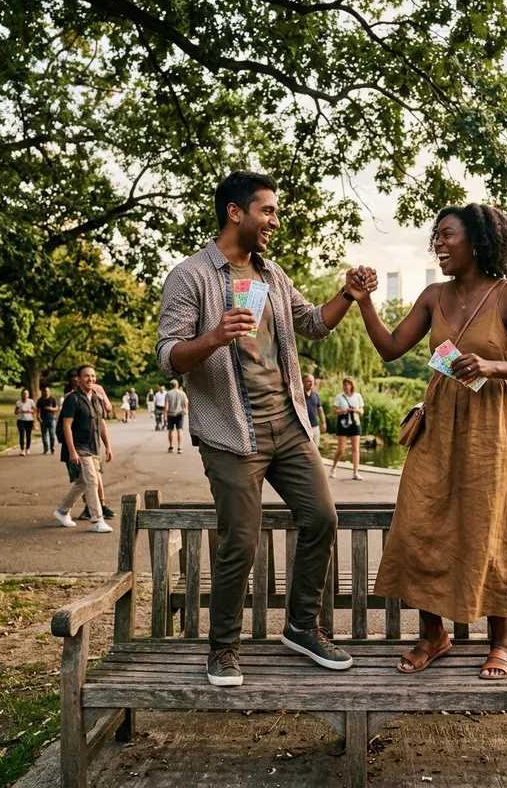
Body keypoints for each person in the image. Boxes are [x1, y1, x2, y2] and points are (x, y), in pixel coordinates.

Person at [156, 170, 376, 686]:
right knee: (242, 540)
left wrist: (346, 294)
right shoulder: (191, 276)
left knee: (321, 517)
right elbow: (168, 356)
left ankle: (302, 626)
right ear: (236, 213)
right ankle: (224, 647)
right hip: (233, 432)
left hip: (289, 424)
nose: (275, 220)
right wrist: (213, 337)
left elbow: (313, 323)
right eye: (268, 211)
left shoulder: (273, 276)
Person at [355, 202, 507, 680]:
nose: (438, 243)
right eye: (435, 237)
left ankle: (500, 641)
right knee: (422, 521)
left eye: (447, 235)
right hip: (437, 424)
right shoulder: (432, 296)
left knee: (490, 525)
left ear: (477, 242)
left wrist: (491, 365)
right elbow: (390, 349)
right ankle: (432, 635)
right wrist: (363, 302)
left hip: (489, 429)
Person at [53, 364, 114, 533]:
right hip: (79, 447)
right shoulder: (72, 399)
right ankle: (97, 520)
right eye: (86, 376)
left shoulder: (96, 397)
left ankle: (62, 511)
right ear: (78, 379)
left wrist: (108, 446)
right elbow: (66, 425)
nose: (90, 379)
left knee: (81, 482)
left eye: (93, 376)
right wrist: (72, 451)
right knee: (92, 481)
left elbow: (101, 423)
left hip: (94, 446)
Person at [329, 377, 364, 480]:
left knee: (355, 448)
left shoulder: (357, 396)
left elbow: (362, 412)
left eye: (348, 384)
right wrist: (343, 411)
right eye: (344, 385)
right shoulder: (339, 397)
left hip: (355, 423)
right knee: (341, 449)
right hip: (343, 422)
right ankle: (333, 467)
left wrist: (356, 410)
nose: (346, 387)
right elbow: (334, 411)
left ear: (352, 385)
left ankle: (355, 472)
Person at [164, 379, 189, 453]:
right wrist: (185, 410)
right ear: (177, 385)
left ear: (171, 385)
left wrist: (165, 414)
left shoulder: (168, 393)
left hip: (171, 414)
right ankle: (179, 447)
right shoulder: (182, 393)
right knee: (180, 430)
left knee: (170, 430)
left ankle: (171, 446)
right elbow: (186, 403)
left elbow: (166, 405)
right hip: (180, 414)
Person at [302, 374, 326, 448]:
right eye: (308, 381)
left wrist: (323, 423)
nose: (311, 383)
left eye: (312, 381)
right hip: (302, 427)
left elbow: (320, 410)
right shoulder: (299, 395)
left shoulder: (315, 395)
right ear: (303, 382)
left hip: (315, 426)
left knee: (315, 448)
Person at [36, 386, 58, 455]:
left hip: (51, 419)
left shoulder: (52, 399)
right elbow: (38, 411)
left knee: (52, 435)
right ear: (43, 392)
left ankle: (52, 449)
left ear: (49, 392)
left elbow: (56, 408)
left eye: (47, 391)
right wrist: (38, 417)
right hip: (43, 420)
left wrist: (50, 409)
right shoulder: (40, 400)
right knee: (44, 435)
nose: (46, 392)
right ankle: (45, 449)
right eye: (45, 391)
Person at [15, 389, 36, 455]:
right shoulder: (18, 402)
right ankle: (22, 449)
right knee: (21, 434)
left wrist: (29, 411)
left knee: (28, 435)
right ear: (21, 394)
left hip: (29, 420)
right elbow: (15, 412)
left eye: (26, 394)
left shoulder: (31, 401)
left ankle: (27, 448)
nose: (25, 395)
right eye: (23, 393)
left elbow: (34, 410)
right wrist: (20, 411)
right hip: (20, 420)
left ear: (28, 395)